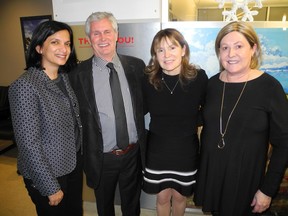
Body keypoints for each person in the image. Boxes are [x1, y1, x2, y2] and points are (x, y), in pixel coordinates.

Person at [194, 21, 288, 216]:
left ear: (253, 49)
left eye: (239, 46)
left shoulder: (270, 88)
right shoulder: (211, 84)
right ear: (218, 52)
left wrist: (267, 190)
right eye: (225, 48)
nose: (231, 54)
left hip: (247, 184)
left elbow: (284, 143)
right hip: (215, 178)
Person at [69, 12, 146, 216]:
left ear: (117, 34)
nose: (103, 38)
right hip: (101, 158)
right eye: (96, 33)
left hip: (132, 153)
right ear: (88, 39)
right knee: (104, 207)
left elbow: (143, 106)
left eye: (107, 31)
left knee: (132, 204)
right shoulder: (77, 75)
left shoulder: (137, 67)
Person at [8, 20, 83, 216]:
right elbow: (28, 144)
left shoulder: (64, 77)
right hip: (48, 172)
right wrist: (50, 186)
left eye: (67, 43)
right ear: (39, 47)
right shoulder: (25, 86)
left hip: (71, 164)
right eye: (55, 42)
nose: (63, 49)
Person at [142, 28, 208, 215]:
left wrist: (191, 122)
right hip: (157, 149)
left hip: (186, 149)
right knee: (162, 197)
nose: (167, 54)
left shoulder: (198, 78)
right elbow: (141, 109)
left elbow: (208, 110)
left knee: (180, 197)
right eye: (160, 50)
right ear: (155, 54)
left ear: (184, 49)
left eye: (172, 47)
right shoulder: (148, 80)